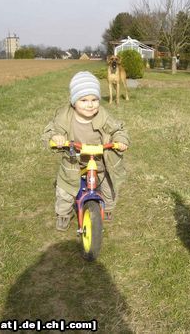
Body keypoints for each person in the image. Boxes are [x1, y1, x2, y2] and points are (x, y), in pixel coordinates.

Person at [42, 71, 130, 231]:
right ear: (74, 101)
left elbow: (118, 129)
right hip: (74, 160)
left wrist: (120, 140)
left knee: (109, 187)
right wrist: (56, 137)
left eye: (94, 100)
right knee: (65, 190)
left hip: (101, 161)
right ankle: (63, 214)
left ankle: (107, 208)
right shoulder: (65, 117)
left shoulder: (103, 116)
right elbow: (52, 129)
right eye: (83, 100)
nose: (90, 105)